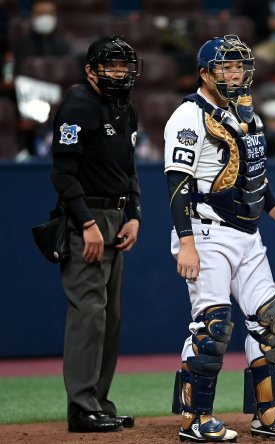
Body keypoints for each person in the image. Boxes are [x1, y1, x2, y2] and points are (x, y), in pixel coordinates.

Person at [164, 35, 275, 442]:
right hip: (205, 232)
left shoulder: (247, 115)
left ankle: (269, 414)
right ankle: (195, 419)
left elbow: (256, 179)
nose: (235, 74)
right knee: (211, 327)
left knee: (271, 322)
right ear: (204, 73)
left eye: (240, 66)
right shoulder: (188, 116)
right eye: (225, 67)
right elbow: (177, 184)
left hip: (248, 234)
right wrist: (186, 242)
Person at [49, 35, 142, 433]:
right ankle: (81, 407)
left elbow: (129, 169)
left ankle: (99, 403)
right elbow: (62, 173)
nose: (118, 73)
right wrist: (86, 223)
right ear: (90, 70)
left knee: (110, 317)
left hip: (117, 218)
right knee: (88, 314)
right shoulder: (77, 104)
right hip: (87, 218)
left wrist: (134, 215)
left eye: (124, 65)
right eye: (110, 65)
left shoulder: (126, 108)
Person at [13, 0, 71, 75]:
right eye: (40, 14)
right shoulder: (22, 44)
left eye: (50, 14)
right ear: (32, 16)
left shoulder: (63, 44)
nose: (45, 18)